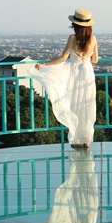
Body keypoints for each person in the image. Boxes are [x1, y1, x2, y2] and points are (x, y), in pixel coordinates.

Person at [33, 8, 99, 148]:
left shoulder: (73, 38)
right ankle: (86, 139)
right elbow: (95, 60)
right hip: (87, 73)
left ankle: (77, 138)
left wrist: (44, 64)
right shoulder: (93, 39)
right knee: (86, 105)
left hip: (75, 73)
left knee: (74, 103)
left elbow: (63, 58)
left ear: (75, 25)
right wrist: (85, 59)